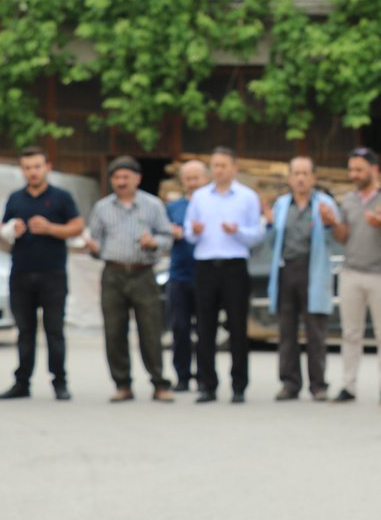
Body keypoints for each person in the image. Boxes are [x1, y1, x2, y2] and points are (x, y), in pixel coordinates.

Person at [0, 147, 84, 401]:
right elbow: (2, 231)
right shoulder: (15, 198)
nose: (32, 172)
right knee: (24, 331)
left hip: (52, 274)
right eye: (27, 168)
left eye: (36, 166)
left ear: (47, 167)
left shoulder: (61, 197)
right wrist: (13, 230)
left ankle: (60, 381)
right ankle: (22, 382)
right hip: (21, 273)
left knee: (54, 329)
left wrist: (50, 228)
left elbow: (77, 227)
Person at [85, 156, 175, 403]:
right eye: (117, 177)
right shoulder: (102, 207)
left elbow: (167, 236)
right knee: (114, 331)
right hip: (113, 273)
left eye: (126, 177)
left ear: (138, 178)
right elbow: (96, 241)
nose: (121, 182)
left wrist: (154, 242)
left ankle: (159, 383)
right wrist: (93, 247)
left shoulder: (153, 205)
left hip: (143, 272)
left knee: (150, 330)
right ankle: (122, 383)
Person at [185, 147, 265, 404]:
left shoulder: (247, 197)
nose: (218, 170)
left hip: (234, 266)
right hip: (206, 266)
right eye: (215, 165)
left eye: (223, 165)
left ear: (234, 168)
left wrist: (237, 231)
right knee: (205, 328)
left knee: (238, 328)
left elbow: (257, 235)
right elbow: (188, 232)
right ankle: (207, 384)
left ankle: (239, 385)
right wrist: (195, 231)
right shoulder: (199, 197)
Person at [326, 148, 381, 404]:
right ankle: (348, 385)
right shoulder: (348, 199)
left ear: (374, 169)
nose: (354, 175)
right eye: (351, 170)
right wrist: (332, 223)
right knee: (350, 333)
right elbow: (343, 237)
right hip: (351, 273)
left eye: (359, 169)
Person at [264, 156, 339, 402]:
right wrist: (267, 224)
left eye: (305, 173)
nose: (300, 178)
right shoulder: (282, 205)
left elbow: (336, 236)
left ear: (314, 178)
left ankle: (318, 384)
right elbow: (273, 240)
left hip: (313, 270)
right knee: (286, 331)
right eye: (296, 173)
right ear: (289, 178)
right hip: (287, 271)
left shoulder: (324, 203)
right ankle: (290, 383)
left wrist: (330, 223)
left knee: (315, 331)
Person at [165, 159, 208, 392]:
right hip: (179, 274)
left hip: (205, 274)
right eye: (188, 178)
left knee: (204, 329)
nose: (192, 183)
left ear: (205, 179)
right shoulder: (173, 207)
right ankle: (182, 376)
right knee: (179, 328)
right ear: (182, 181)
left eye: (196, 178)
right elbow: (160, 233)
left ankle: (204, 376)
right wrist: (170, 232)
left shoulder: (212, 204)